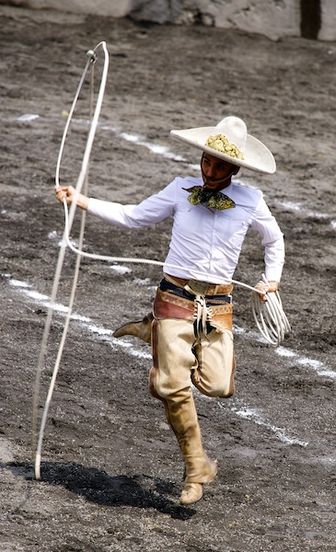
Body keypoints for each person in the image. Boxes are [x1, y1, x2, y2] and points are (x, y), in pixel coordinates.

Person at [55, 116, 285, 505]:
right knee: (170, 386)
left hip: (218, 306)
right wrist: (81, 201)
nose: (210, 171)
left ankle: (152, 333)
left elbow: (274, 240)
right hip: (174, 298)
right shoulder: (180, 190)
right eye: (206, 162)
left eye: (219, 166)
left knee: (218, 386)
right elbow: (134, 216)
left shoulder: (251, 200)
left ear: (236, 168)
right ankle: (196, 466)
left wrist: (270, 279)